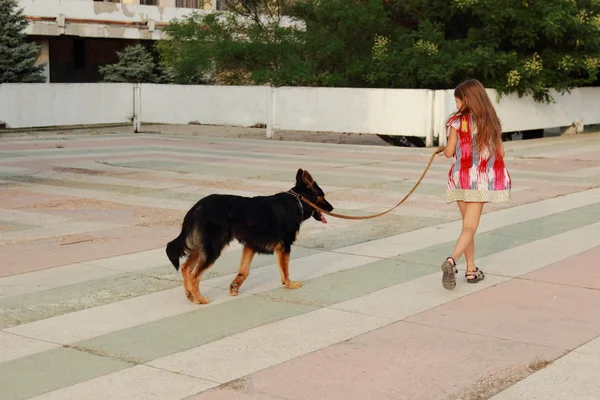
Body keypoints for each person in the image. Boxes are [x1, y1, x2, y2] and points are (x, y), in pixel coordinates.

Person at [440, 79, 511, 290]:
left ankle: (471, 270)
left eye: (457, 101)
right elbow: (502, 152)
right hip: (479, 181)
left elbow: (449, 152)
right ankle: (452, 261)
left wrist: (446, 147)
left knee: (466, 227)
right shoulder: (491, 122)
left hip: (460, 179)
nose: (456, 106)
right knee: (469, 228)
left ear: (467, 99)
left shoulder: (456, 121)